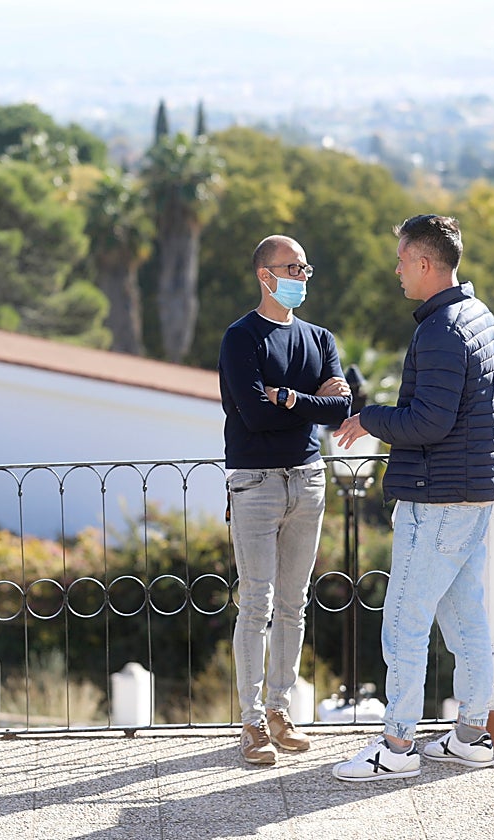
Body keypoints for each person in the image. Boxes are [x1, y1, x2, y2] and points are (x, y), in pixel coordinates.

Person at [332, 214, 494, 782]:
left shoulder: (440, 329)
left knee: (404, 622)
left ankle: (397, 746)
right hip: (472, 496)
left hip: (436, 500)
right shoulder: (477, 315)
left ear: (427, 263)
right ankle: (471, 736)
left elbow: (430, 420)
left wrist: (369, 418)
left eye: (404, 260)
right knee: (464, 621)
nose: (398, 270)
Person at [218, 235, 352, 765]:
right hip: (254, 482)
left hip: (308, 478)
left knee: (294, 604)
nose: (300, 275)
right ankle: (251, 723)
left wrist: (290, 397)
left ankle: (280, 710)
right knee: (256, 603)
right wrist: (311, 403)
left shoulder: (320, 338)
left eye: (304, 265)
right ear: (264, 275)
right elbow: (254, 415)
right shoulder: (240, 338)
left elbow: (341, 408)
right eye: (290, 266)